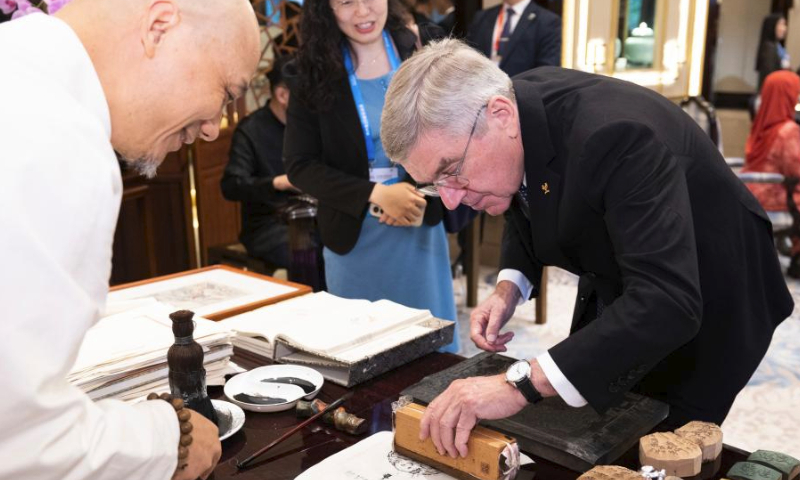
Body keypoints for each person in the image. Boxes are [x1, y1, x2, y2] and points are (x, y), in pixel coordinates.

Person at [380, 39, 793, 458]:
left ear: (499, 115)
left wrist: (519, 382)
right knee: (589, 411)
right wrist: (512, 284)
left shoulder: (617, 137)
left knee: (651, 441)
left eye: (450, 171)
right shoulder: (513, 109)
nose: (449, 200)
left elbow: (667, 302)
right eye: (434, 184)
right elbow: (524, 193)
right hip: (625, 271)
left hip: (714, 290)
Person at [0, 0, 260, 478]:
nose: (211, 129)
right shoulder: (56, 139)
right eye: (225, 93)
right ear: (160, 28)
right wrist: (168, 441)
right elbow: (21, 436)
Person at [283, 0, 459, 352]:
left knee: (430, 350)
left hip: (418, 224)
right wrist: (375, 194)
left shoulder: (423, 47)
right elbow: (299, 165)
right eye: (346, 2)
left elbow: (456, 131)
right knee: (363, 353)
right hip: (354, 233)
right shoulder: (311, 72)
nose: (363, 12)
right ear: (325, 9)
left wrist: (420, 190)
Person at [222, 55, 297, 270]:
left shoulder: (309, 126)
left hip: (311, 216)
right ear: (282, 94)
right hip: (269, 227)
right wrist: (278, 183)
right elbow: (231, 185)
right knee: (307, 252)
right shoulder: (251, 130)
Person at [741, 71, 800, 277]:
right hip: (774, 197)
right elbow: (796, 169)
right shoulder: (788, 130)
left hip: (750, 193)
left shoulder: (761, 125)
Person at [466, 0, 561, 77]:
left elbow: (546, 70)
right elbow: (470, 55)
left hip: (520, 95)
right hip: (481, 92)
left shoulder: (548, 21)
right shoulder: (482, 17)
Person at [756, 13, 790, 91]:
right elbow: (770, 75)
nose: (784, 28)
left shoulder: (778, 46)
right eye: (781, 24)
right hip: (772, 90)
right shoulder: (769, 48)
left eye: (784, 24)